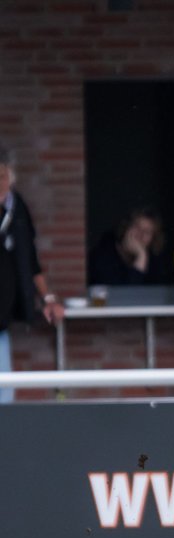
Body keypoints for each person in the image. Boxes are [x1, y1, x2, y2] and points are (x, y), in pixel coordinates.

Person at [0, 143, 62, 405]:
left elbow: (30, 261)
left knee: (5, 392)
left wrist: (47, 298)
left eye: (2, 177)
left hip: (1, 319)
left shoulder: (17, 208)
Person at [87, 207, 174, 286]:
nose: (141, 234)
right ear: (126, 227)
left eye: (147, 232)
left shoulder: (154, 261)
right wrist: (141, 256)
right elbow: (124, 298)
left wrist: (142, 256)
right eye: (137, 227)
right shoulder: (102, 256)